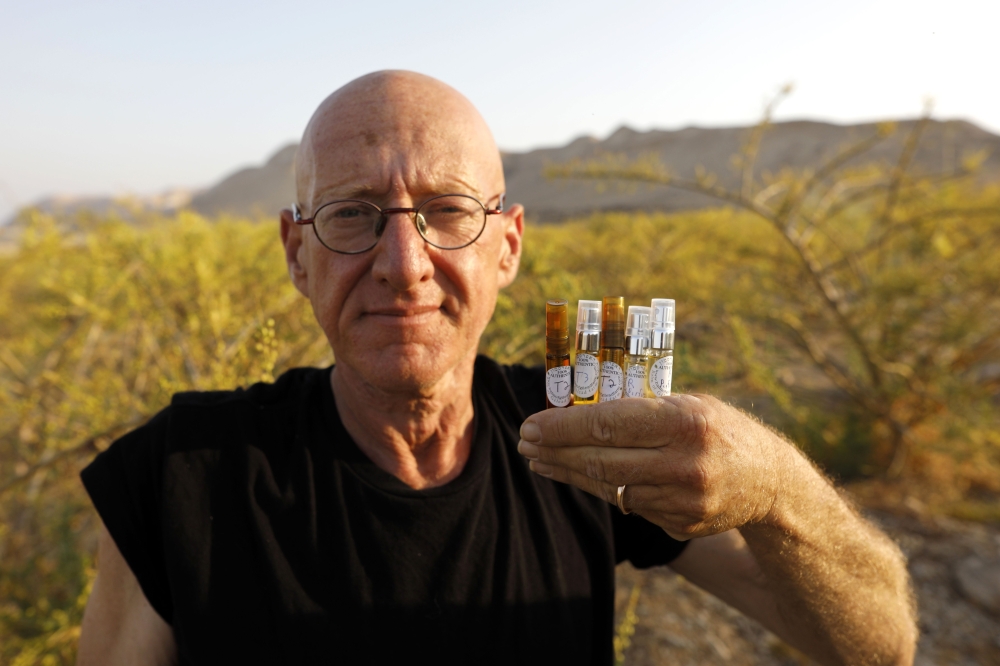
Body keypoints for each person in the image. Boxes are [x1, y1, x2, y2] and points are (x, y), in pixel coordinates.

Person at [76, 70, 917, 665]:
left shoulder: (587, 435)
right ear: (298, 254)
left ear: (506, 246)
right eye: (351, 214)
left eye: (447, 212)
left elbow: (878, 646)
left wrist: (777, 491)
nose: (403, 264)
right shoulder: (180, 470)